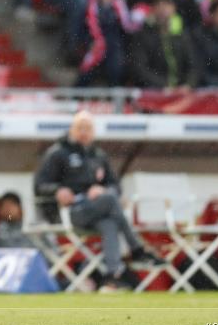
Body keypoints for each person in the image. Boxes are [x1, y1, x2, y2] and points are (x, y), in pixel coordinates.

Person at [34, 111, 163, 291]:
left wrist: (103, 189)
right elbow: (40, 185)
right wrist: (58, 190)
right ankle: (137, 250)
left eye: (88, 128)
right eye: (80, 128)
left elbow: (116, 186)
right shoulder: (58, 153)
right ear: (72, 129)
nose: (84, 132)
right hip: (69, 211)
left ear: (94, 132)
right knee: (110, 200)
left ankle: (111, 277)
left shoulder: (99, 156)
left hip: (95, 211)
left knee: (110, 221)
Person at [128, 0, 197, 89]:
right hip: (154, 92)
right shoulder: (143, 35)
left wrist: (188, 85)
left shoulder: (183, 35)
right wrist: (163, 86)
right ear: (152, 9)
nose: (162, 10)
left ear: (174, 9)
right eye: (159, 5)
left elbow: (193, 65)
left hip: (182, 93)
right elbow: (140, 68)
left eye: (166, 5)